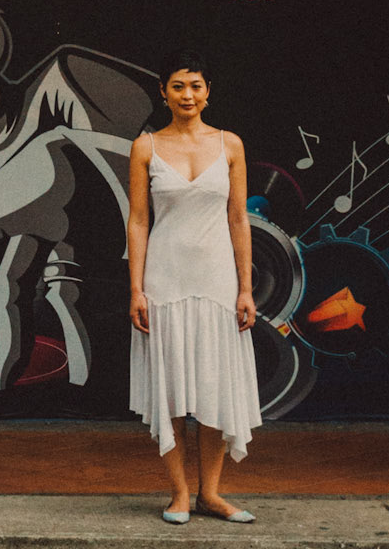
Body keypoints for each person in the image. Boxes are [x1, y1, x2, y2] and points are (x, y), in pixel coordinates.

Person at [127, 51, 262, 524]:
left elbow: (240, 218)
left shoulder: (230, 145)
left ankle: (212, 493)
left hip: (217, 279)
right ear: (163, 93)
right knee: (171, 391)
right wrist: (136, 290)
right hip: (164, 278)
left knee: (213, 388)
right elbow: (139, 221)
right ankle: (180, 494)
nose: (188, 95)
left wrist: (245, 290)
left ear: (209, 92)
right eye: (179, 86)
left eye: (196, 86)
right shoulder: (145, 147)